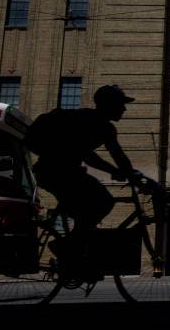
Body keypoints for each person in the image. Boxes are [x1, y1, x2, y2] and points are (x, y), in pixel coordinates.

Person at [26, 85, 144, 271]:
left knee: (88, 211)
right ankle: (65, 248)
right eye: (121, 104)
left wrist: (122, 172)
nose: (124, 109)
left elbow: (107, 157)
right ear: (109, 105)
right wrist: (124, 173)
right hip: (56, 172)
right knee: (104, 202)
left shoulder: (97, 123)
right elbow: (108, 157)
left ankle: (76, 257)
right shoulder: (95, 124)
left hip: (57, 172)